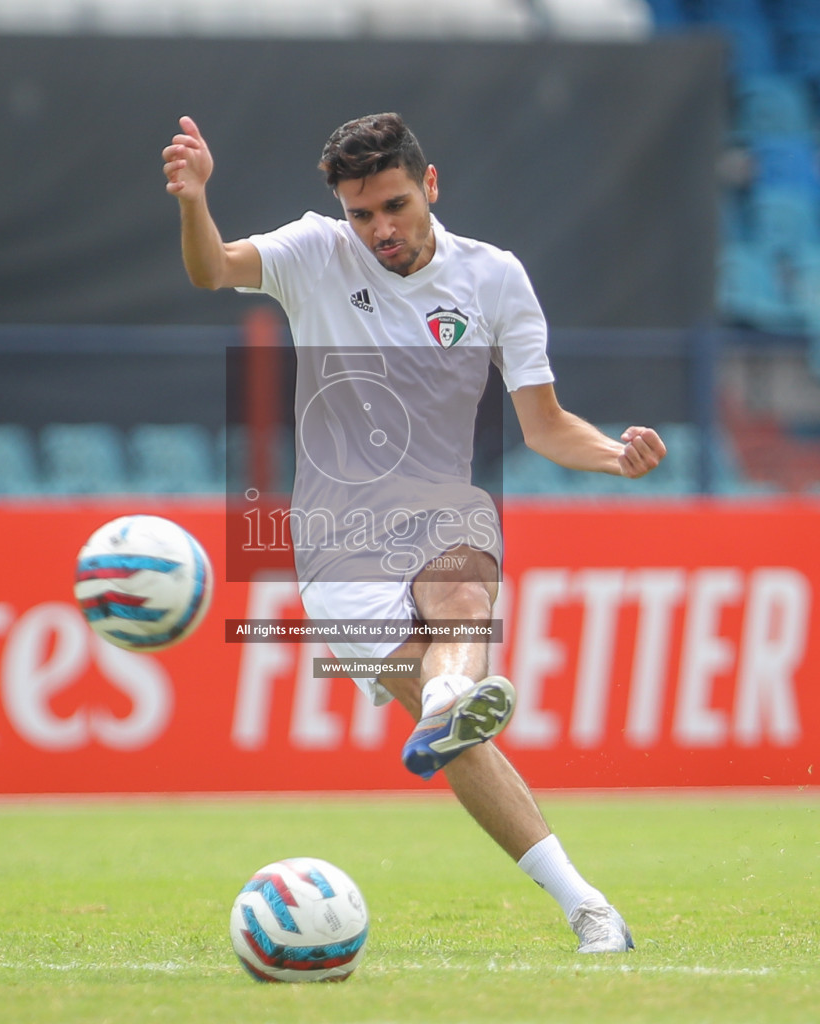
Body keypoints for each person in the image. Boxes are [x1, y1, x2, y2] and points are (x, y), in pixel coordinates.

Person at [163, 112, 665, 954]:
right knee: (466, 745)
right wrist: (195, 199)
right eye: (363, 214)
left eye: (394, 205)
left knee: (465, 586)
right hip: (334, 541)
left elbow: (543, 427)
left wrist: (616, 456)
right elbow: (210, 269)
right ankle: (580, 897)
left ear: (430, 186)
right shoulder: (315, 252)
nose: (380, 229)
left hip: (440, 509)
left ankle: (452, 706)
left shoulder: (495, 279)